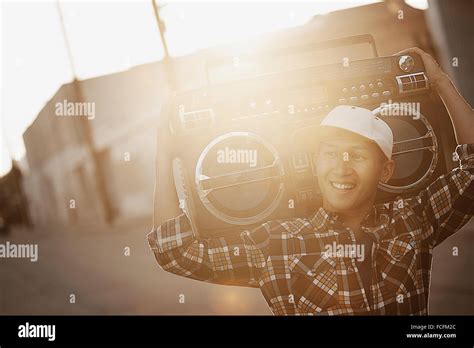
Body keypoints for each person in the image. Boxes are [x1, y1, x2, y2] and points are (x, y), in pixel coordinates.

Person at [147, 48, 474, 315]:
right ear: (315, 164)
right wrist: (165, 152)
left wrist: (441, 82)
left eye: (357, 156)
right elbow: (175, 251)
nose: (341, 168)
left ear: (386, 170)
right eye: (330, 154)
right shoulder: (273, 244)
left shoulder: (412, 219)